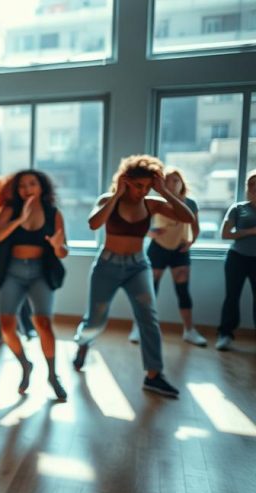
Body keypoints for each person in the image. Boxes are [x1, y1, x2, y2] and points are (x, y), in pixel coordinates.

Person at [72, 155, 195, 398]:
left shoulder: (152, 203)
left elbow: (188, 217)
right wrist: (117, 195)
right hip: (107, 265)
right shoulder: (108, 200)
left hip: (138, 266)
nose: (142, 191)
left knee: (148, 318)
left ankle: (153, 375)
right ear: (126, 181)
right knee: (95, 320)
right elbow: (93, 224)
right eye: (138, 185)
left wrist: (163, 192)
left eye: (147, 187)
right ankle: (83, 342)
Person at [0, 170, 69, 400]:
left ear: (42, 187)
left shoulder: (53, 214)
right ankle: (25, 365)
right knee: (6, 326)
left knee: (43, 323)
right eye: (22, 185)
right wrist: (19, 221)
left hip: (40, 273)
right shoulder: (10, 210)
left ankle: (53, 375)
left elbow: (64, 252)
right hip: (12, 271)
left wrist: (56, 246)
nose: (27, 189)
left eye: (32, 184)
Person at [128, 166, 206, 346]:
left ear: (182, 184)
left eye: (175, 180)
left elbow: (195, 227)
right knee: (149, 290)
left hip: (179, 251)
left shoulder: (190, 203)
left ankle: (189, 330)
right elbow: (139, 224)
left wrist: (191, 241)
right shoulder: (155, 202)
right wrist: (150, 232)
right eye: (168, 180)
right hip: (158, 250)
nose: (172, 184)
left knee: (183, 290)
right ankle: (138, 327)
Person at [216, 169, 256, 351]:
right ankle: (225, 334)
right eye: (251, 184)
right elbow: (225, 234)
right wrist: (251, 231)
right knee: (232, 297)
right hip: (237, 259)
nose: (254, 187)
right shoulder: (238, 208)